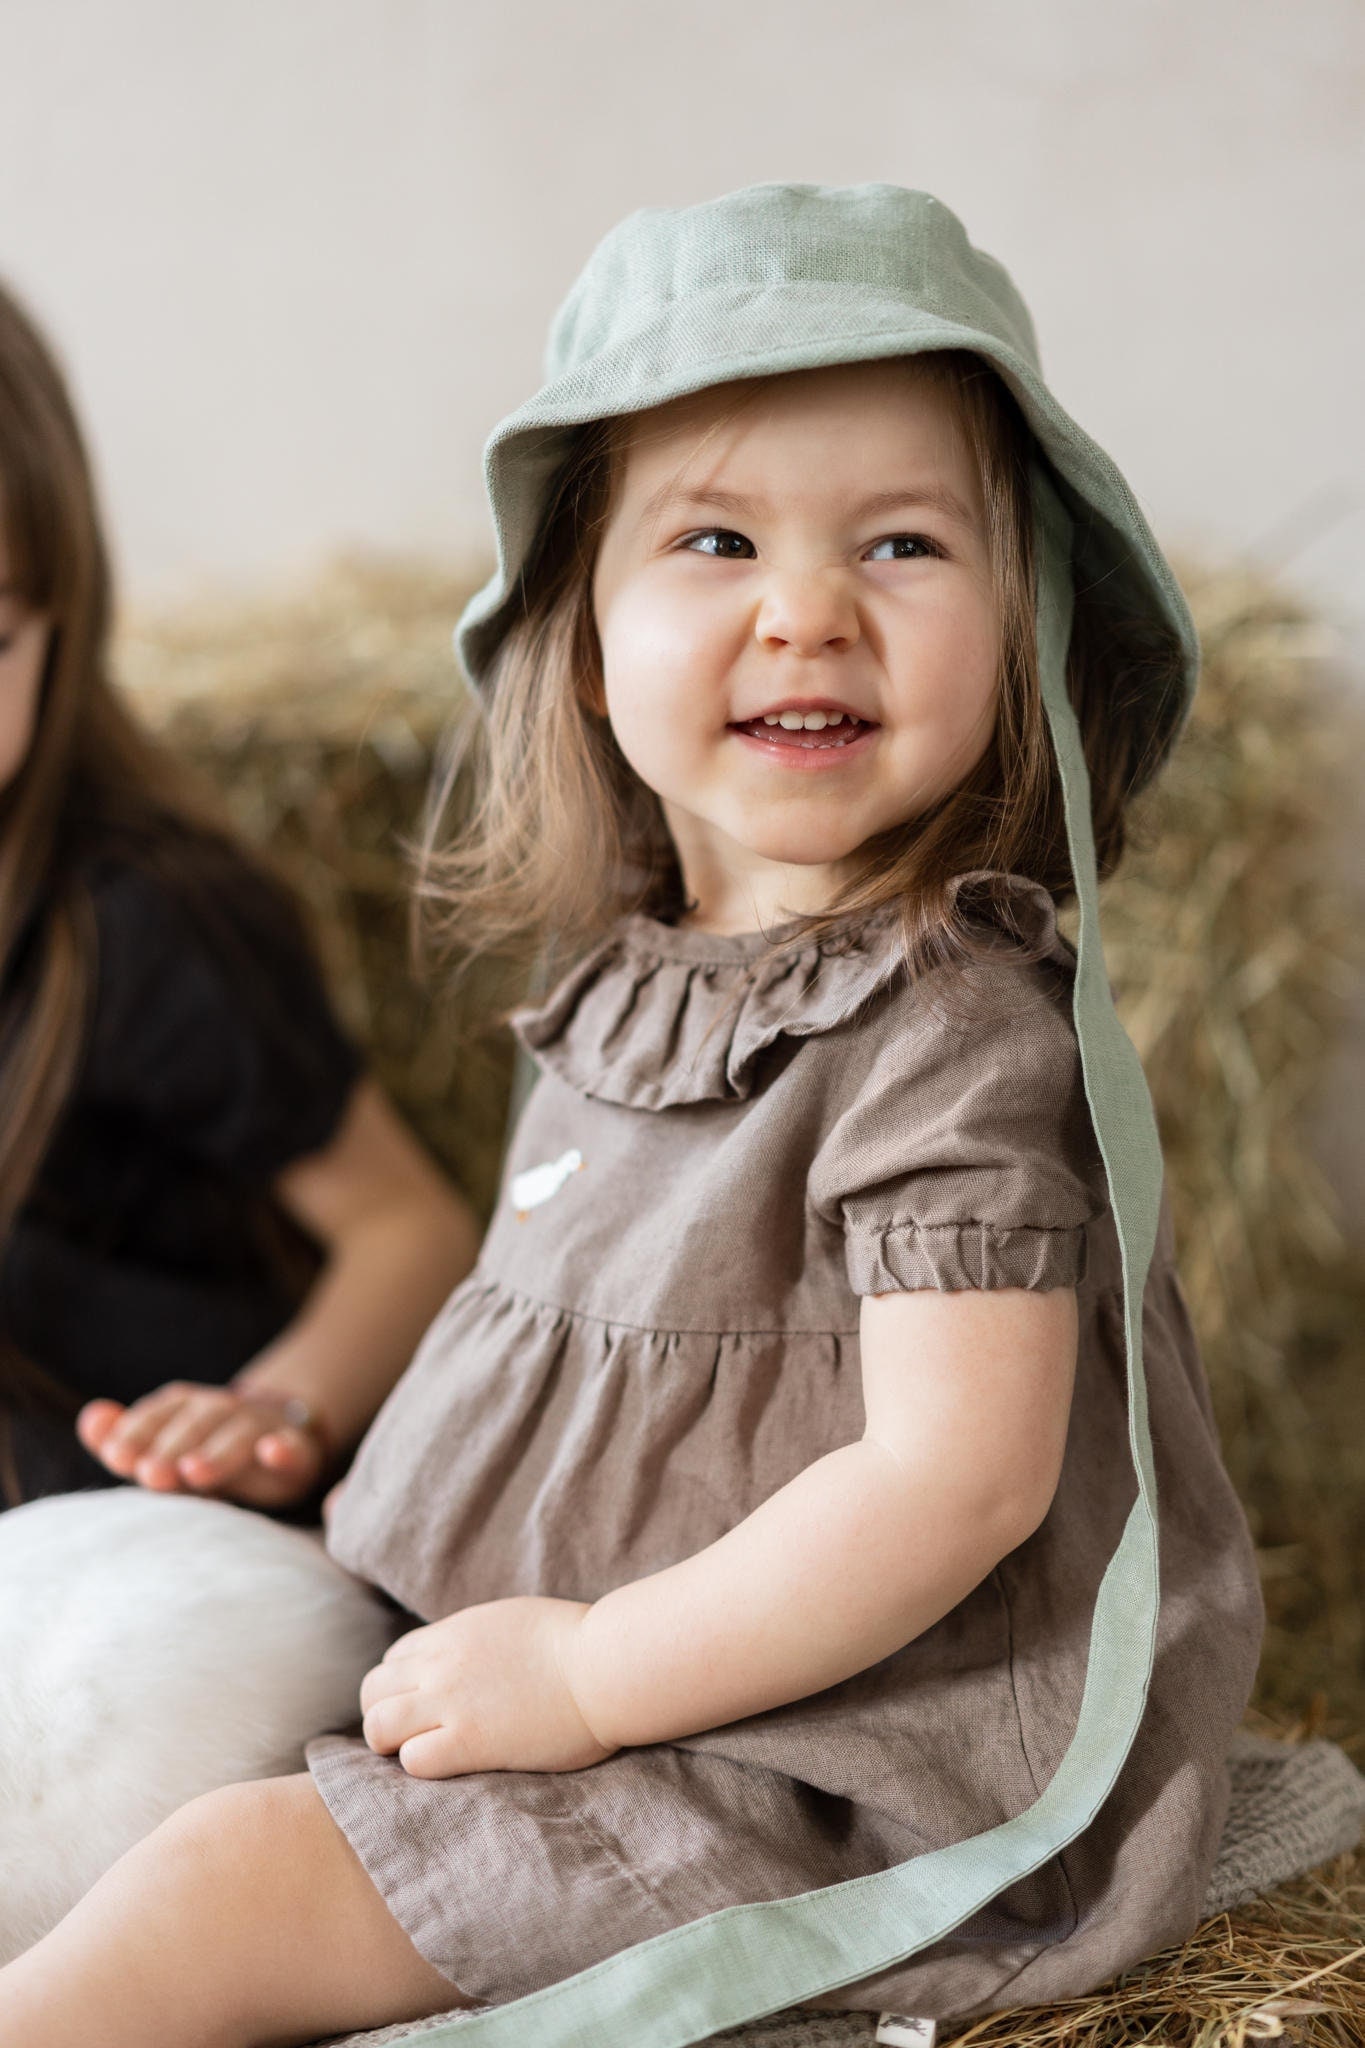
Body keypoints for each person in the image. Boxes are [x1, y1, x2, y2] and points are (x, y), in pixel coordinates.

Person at [0, 185, 1264, 2048]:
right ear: (584, 636)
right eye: (719, 537)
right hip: (572, 1672)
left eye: (904, 542)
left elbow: (961, 1478)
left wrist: (591, 1672)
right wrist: (316, 1440)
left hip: (825, 1739)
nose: (809, 608)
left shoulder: (955, 1031)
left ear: (1030, 628)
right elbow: (588, 1373)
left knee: (210, 1895)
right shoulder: (629, 987)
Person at [0, 277, 480, 1516]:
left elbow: (412, 1231)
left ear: (60, 619)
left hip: (137, 1512)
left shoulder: (144, 918)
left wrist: (276, 1409)